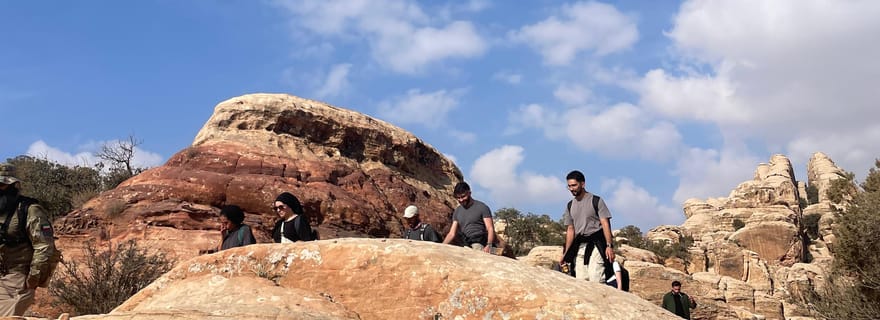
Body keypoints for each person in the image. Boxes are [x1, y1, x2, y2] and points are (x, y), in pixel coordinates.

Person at [0, 163, 60, 316]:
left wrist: (33, 278)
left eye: (2, 185)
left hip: (17, 279)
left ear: (13, 185)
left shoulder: (30, 210)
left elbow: (44, 246)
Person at [559, 170, 615, 283]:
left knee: (595, 276)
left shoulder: (596, 201)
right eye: (569, 186)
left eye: (574, 185)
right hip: (580, 245)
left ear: (582, 184)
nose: (571, 189)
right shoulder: (570, 205)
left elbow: (605, 224)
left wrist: (609, 246)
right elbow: (570, 230)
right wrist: (566, 254)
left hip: (597, 244)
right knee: (580, 280)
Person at [442, 182, 496, 253]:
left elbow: (490, 228)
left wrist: (489, 245)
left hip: (478, 242)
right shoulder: (457, 211)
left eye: (463, 196)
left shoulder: (482, 207)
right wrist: (442, 246)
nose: (461, 200)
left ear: (469, 193)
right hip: (464, 243)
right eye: (458, 198)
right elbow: (452, 233)